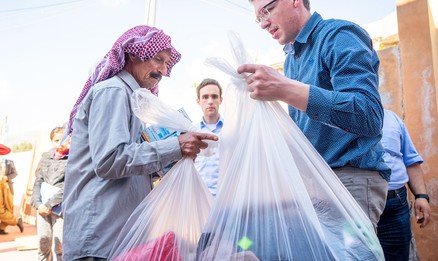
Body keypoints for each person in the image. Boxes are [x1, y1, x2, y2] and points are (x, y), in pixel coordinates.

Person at [62, 25, 218, 261]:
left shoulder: (130, 98)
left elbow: (129, 163)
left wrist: (170, 160)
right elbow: (110, 160)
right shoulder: (113, 91)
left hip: (116, 236)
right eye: (158, 59)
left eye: (166, 63)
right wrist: (175, 146)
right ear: (134, 54)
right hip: (99, 238)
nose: (163, 71)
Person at [238, 0, 390, 229]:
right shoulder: (291, 59)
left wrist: (286, 89)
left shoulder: (339, 35)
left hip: (348, 180)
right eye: (258, 17)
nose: (263, 23)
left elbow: (368, 115)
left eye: (267, 10)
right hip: (315, 184)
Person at [377, 109, 431, 261]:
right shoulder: (338, 115)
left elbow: (410, 160)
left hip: (395, 206)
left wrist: (421, 196)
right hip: (354, 207)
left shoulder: (392, 118)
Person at [31, 126, 70, 260]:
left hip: (59, 209)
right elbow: (38, 181)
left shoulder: (73, 159)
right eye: (56, 140)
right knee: (43, 243)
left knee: (60, 246)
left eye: (63, 139)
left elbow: (68, 186)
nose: (60, 143)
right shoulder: (46, 158)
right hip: (42, 209)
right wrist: (38, 203)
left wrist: (49, 204)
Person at [193, 78, 224, 197]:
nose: (210, 101)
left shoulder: (233, 130)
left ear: (220, 100)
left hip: (227, 199)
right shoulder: (191, 132)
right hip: (199, 199)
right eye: (205, 97)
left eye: (214, 96)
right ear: (198, 101)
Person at [0, 144, 24, 234]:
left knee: (8, 208)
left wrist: (6, 177)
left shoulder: (8, 162)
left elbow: (14, 174)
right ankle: (16, 221)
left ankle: (2, 228)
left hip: (6, 187)